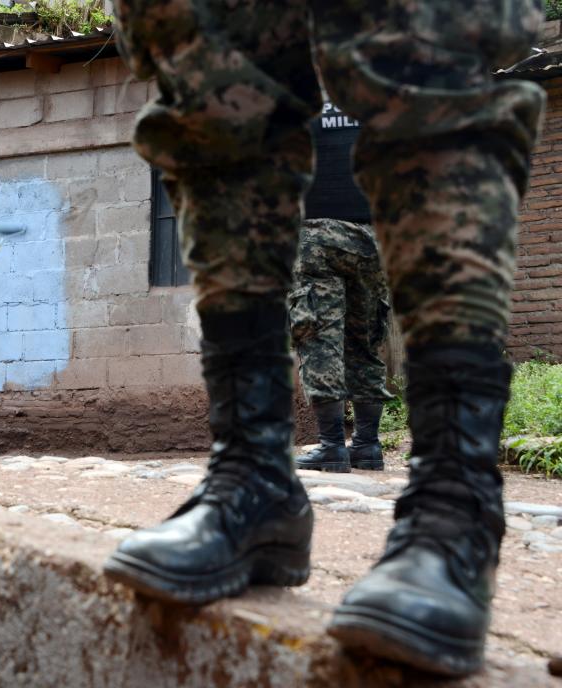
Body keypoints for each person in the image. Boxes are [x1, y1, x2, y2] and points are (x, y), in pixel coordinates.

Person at [102, 2, 544, 677]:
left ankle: (454, 512)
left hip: (355, 227)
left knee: (426, 50)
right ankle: (252, 479)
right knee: (210, 73)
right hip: (344, 233)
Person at [289, 105, 394, 473]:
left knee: (319, 339)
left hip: (317, 235)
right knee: (365, 342)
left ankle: (332, 446)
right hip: (373, 237)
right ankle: (367, 446)